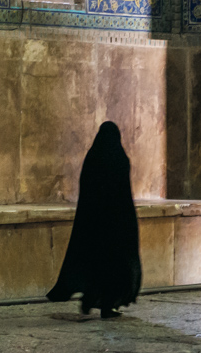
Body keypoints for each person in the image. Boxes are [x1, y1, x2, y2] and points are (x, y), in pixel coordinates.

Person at [47, 121, 143, 318]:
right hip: (117, 225)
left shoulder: (93, 157)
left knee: (96, 265)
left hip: (95, 224)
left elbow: (88, 192)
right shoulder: (120, 158)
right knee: (116, 267)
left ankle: (90, 299)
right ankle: (109, 305)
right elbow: (123, 195)